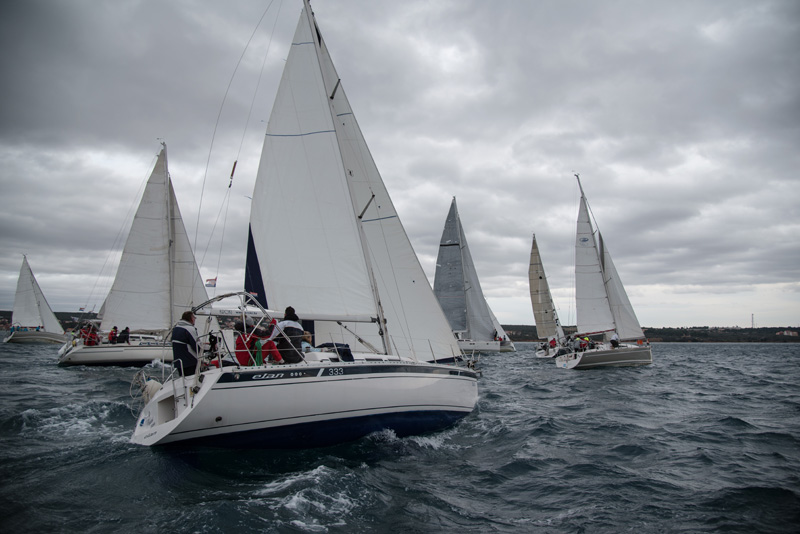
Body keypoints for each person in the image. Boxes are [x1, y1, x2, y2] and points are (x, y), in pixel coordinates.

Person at [172, 311, 199, 376]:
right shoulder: (190, 329)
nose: (195, 319)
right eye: (194, 317)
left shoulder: (176, 328)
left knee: (184, 380)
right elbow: (196, 346)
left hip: (179, 363)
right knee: (192, 380)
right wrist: (207, 349)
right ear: (191, 318)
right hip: (190, 362)